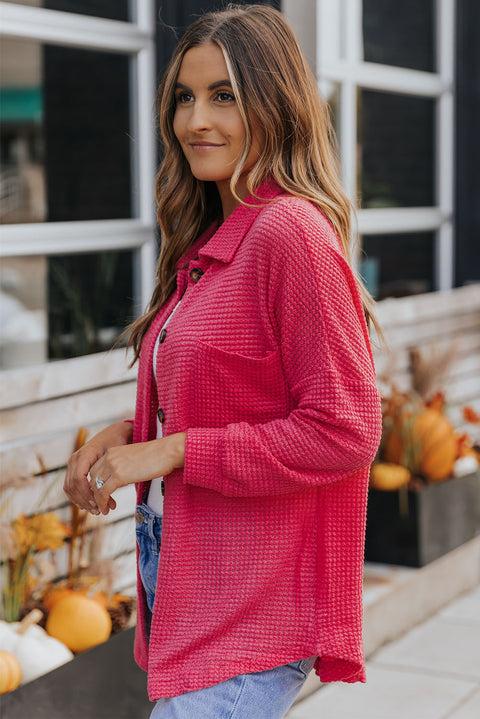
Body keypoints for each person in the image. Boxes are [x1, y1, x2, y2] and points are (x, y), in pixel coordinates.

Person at [64, 4, 382, 718]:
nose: (195, 120)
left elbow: (345, 428)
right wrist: (130, 433)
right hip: (185, 566)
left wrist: (172, 451)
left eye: (224, 95)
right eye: (184, 96)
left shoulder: (290, 234)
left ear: (276, 105)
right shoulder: (213, 238)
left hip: (251, 596)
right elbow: (227, 389)